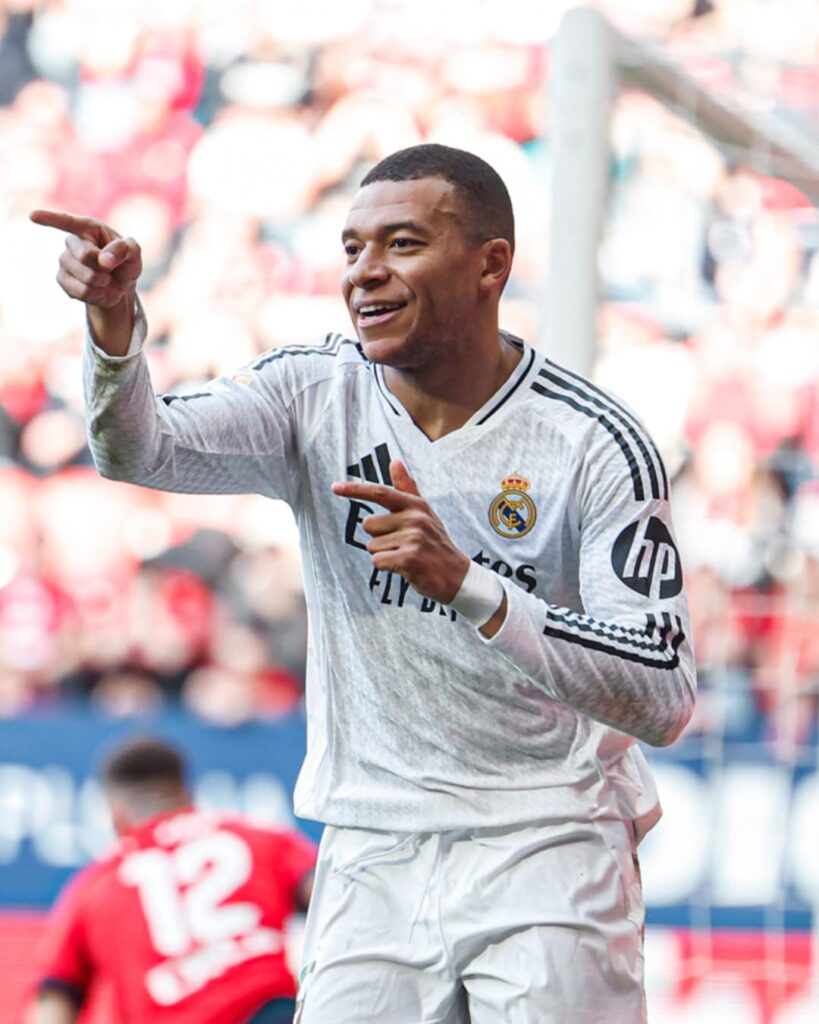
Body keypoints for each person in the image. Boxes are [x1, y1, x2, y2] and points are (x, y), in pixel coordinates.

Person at [31, 142, 696, 1023]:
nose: (364, 272)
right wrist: (114, 327)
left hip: (548, 835)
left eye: (402, 244)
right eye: (352, 248)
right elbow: (137, 450)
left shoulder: (594, 443)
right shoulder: (312, 393)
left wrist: (469, 585)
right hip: (370, 845)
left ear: (490, 264)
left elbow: (663, 695)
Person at [26, 737, 316, 1024]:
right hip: (269, 1012)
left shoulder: (96, 884)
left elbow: (55, 992)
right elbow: (324, 892)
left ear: (115, 813)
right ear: (186, 792)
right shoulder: (258, 838)